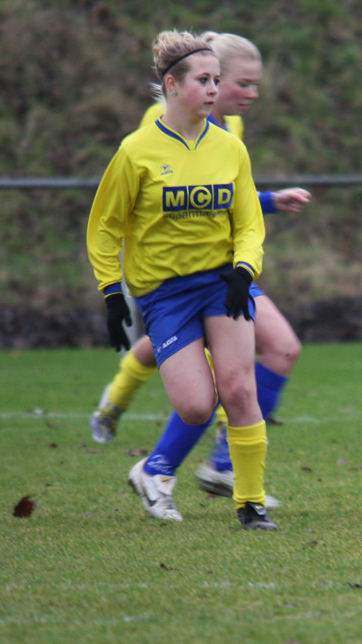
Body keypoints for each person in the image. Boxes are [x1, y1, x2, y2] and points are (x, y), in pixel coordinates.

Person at [88, 32, 308, 511]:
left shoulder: (229, 136)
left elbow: (232, 199)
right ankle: (137, 435)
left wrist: (247, 263)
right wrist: (112, 293)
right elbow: (115, 220)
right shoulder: (146, 141)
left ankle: (231, 475)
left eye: (222, 81)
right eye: (237, 83)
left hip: (221, 274)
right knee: (195, 397)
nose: (245, 93)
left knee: (266, 360)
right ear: (175, 85)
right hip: (165, 284)